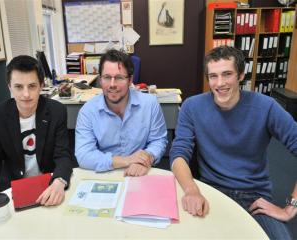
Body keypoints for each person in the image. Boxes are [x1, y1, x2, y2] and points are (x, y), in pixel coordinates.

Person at [170, 46, 297, 239]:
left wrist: (290, 208)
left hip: (254, 196)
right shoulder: (192, 106)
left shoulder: (266, 107)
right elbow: (179, 154)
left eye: (227, 74)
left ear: (241, 75)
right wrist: (191, 189)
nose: (219, 83)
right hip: (211, 191)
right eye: (213, 76)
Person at [75, 49, 167, 176]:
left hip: (140, 171)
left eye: (119, 77)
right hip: (105, 173)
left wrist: (146, 158)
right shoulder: (87, 111)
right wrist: (127, 160)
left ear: (130, 80)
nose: (112, 85)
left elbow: (159, 140)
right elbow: (84, 155)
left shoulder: (150, 104)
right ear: (100, 79)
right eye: (107, 77)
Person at [0, 55, 73, 206]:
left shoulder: (57, 111)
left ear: (41, 85)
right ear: (9, 87)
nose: (26, 94)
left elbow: (63, 155)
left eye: (32, 86)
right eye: (18, 87)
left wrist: (59, 181)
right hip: (13, 188)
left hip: (48, 183)